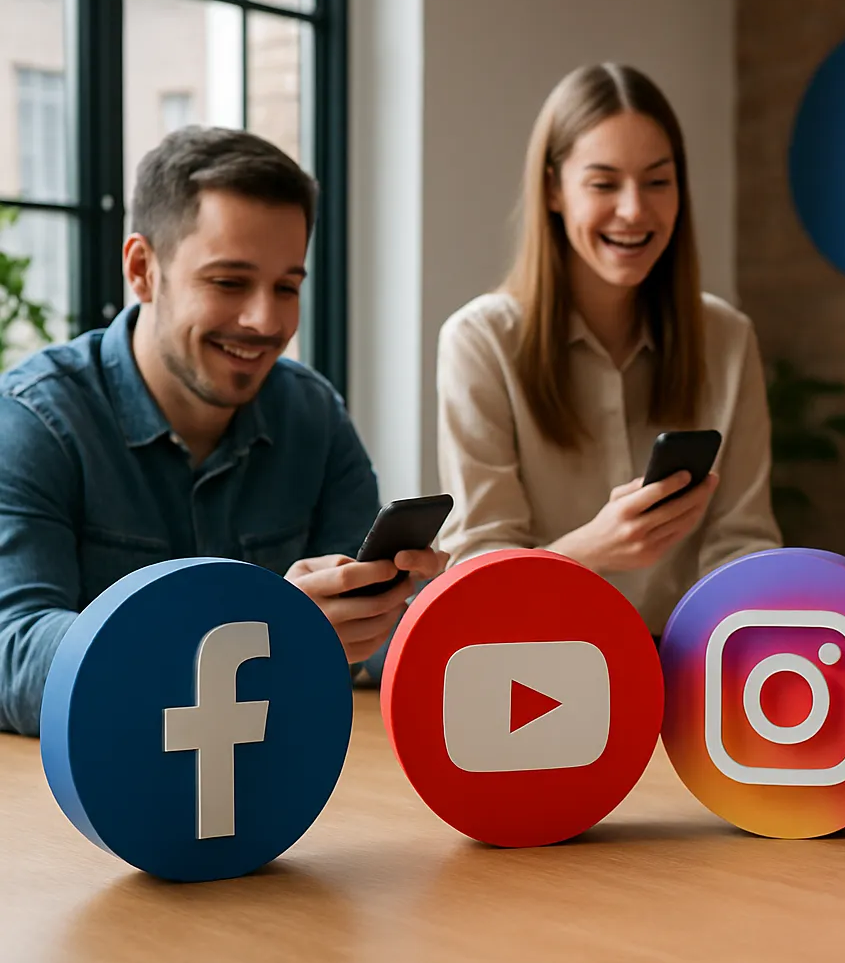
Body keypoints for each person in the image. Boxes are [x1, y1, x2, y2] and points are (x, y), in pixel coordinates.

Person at [0, 127, 446, 735]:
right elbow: (14, 654)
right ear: (142, 269)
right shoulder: (35, 420)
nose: (265, 320)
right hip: (83, 807)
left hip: (272, 788)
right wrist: (257, 628)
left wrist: (397, 612)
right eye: (229, 282)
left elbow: (364, 649)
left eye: (287, 287)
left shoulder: (313, 416)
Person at [436, 63, 780, 636]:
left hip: (690, 672)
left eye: (657, 181)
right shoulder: (480, 341)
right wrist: (592, 548)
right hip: (536, 666)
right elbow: (477, 572)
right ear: (553, 189)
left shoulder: (727, 338)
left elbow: (743, 543)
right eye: (603, 183)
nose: (634, 210)